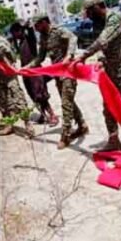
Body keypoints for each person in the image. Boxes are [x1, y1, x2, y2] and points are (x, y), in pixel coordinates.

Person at [71, 0, 121, 152]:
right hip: (108, 72)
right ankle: (113, 140)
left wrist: (83, 56)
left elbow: (103, 40)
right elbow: (102, 48)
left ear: (98, 7)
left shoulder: (116, 18)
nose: (88, 16)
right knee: (108, 108)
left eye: (89, 11)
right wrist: (100, 59)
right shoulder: (97, 23)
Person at [28, 15, 88, 149]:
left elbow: (73, 38)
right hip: (58, 74)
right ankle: (82, 125)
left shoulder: (58, 30)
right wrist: (28, 68)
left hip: (68, 71)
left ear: (43, 22)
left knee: (66, 103)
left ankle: (66, 134)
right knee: (69, 101)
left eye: (37, 25)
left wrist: (69, 55)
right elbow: (40, 57)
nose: (35, 28)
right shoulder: (43, 37)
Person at [9, 21, 59, 126]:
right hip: (27, 75)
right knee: (34, 96)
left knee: (41, 96)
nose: (14, 36)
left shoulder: (29, 39)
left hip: (35, 74)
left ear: (19, 31)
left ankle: (52, 116)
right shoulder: (20, 43)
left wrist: (25, 26)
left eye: (15, 33)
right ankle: (43, 115)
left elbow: (30, 30)